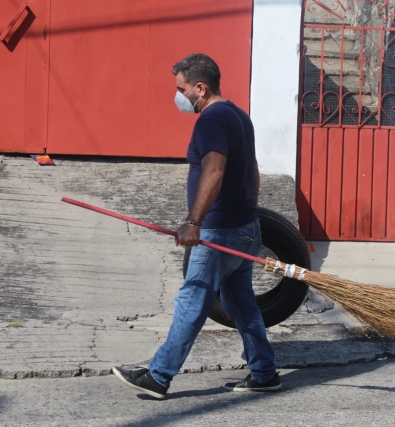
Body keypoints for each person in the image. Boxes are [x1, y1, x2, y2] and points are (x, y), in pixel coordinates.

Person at [112, 53, 280, 399]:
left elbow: (214, 171)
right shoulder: (238, 115)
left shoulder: (212, 120)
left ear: (200, 88)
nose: (178, 95)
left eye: (181, 88)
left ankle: (158, 376)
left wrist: (194, 222)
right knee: (241, 304)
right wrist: (249, 213)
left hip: (219, 230)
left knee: (193, 299)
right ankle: (264, 372)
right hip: (245, 227)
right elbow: (253, 170)